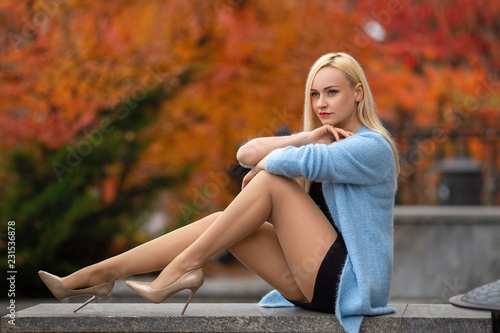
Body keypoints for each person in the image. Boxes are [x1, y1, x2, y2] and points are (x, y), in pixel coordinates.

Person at [38, 52, 399, 333]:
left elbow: (270, 164)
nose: (321, 103)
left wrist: (267, 166)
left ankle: (180, 268)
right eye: (315, 94)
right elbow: (245, 155)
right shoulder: (323, 140)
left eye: (332, 92)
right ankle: (100, 275)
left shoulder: (372, 148)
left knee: (271, 182)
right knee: (221, 222)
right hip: (311, 283)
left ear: (358, 92)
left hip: (348, 284)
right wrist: (305, 136)